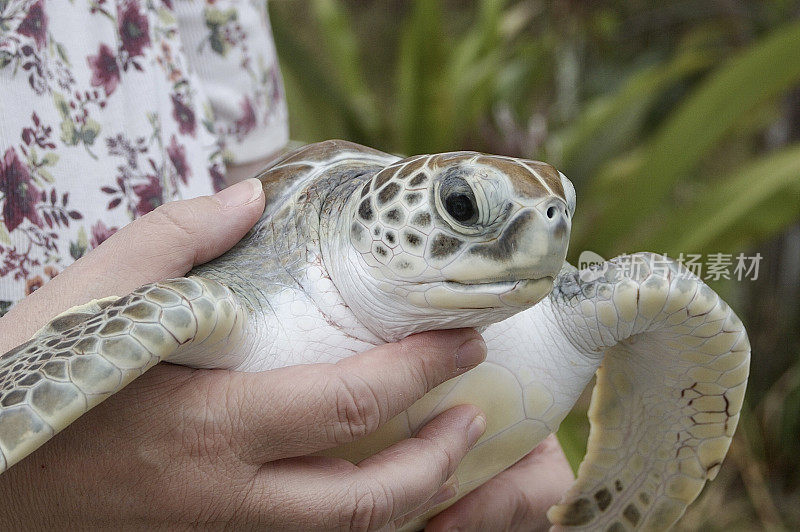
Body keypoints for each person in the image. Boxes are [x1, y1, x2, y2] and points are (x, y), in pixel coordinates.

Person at [0, 2, 572, 528]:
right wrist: (25, 493)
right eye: (463, 208)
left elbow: (251, 181)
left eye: (560, 209)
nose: (550, 228)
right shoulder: (182, 311)